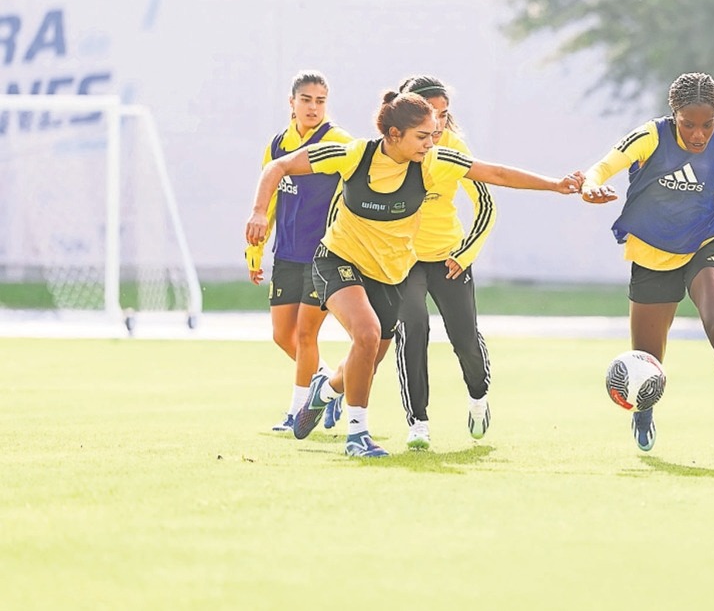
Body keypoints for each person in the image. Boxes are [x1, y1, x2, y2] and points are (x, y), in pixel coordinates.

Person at [245, 90, 582, 458]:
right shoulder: (354, 154)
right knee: (367, 332)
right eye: (423, 136)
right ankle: (357, 435)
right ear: (393, 135)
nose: (431, 142)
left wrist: (555, 185)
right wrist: (260, 212)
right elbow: (277, 167)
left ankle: (326, 390)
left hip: (390, 273)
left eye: (434, 134)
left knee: (367, 357)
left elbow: (496, 173)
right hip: (338, 259)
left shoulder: (434, 162)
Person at [581, 72, 714, 467]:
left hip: (705, 245)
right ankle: (643, 410)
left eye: (706, 124)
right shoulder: (649, 136)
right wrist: (591, 186)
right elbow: (602, 167)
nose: (698, 134)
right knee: (647, 357)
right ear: (673, 115)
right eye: (688, 124)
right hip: (651, 254)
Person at [392, 75, 497, 450]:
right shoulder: (392, 149)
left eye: (443, 113)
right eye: (429, 113)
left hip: (449, 258)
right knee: (413, 330)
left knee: (465, 338)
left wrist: (464, 254)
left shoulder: (454, 148)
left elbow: (485, 204)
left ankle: (479, 397)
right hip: (405, 262)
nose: (436, 122)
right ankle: (417, 422)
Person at [245, 71, 352, 433]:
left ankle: (296, 411)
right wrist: (255, 251)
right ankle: (326, 380)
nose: (313, 107)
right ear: (291, 102)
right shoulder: (277, 145)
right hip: (286, 254)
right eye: (306, 99)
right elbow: (270, 199)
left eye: (320, 101)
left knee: (307, 335)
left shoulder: (338, 142)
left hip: (323, 258)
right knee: (282, 335)